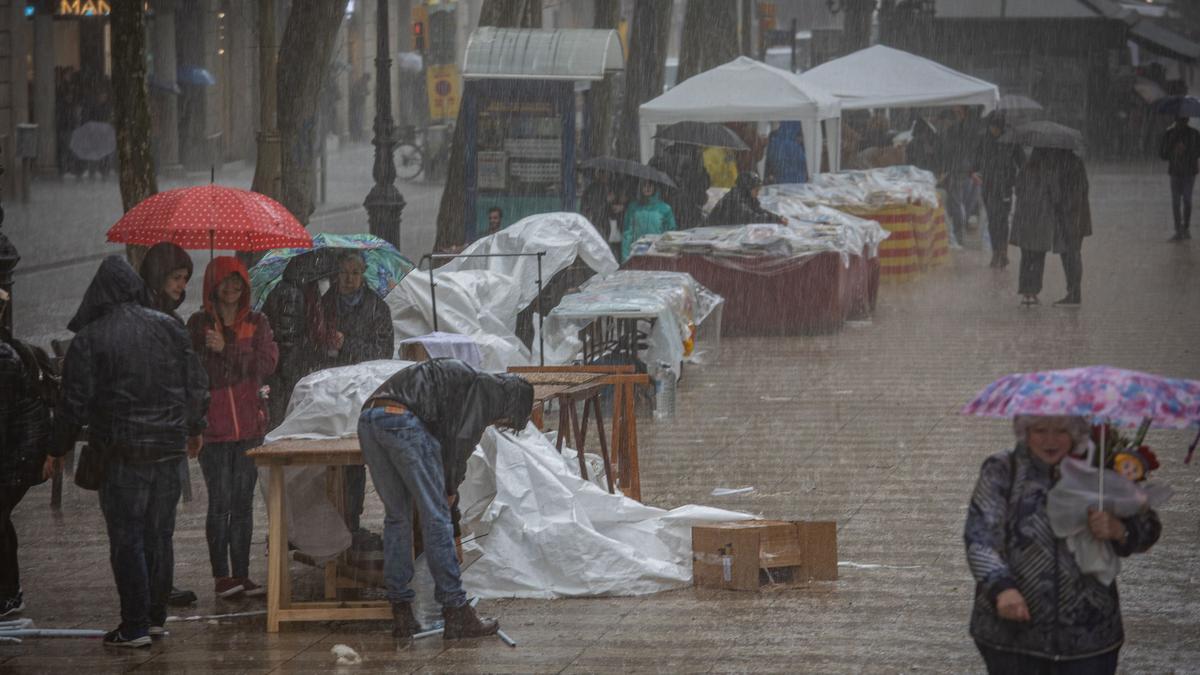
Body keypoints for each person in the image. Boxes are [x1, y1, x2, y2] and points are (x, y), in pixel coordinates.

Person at [45, 256, 210, 648]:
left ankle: (134, 624)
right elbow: (196, 383)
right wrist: (194, 427)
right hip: (168, 451)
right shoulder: (169, 326)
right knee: (159, 536)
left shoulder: (91, 337)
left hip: (122, 454)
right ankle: (154, 619)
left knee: (128, 539)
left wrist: (55, 449)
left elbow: (73, 403)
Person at [965, 415, 1161, 674]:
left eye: (1061, 431)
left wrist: (1121, 530)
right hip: (1013, 639)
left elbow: (1149, 528)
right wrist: (1002, 588)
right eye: (1040, 430)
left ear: (1076, 433)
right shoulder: (1002, 469)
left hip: (1090, 639)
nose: (1050, 440)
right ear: (1025, 432)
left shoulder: (1104, 467)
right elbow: (980, 537)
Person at [356, 359, 533, 642]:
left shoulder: (469, 383)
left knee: (397, 518)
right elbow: (457, 446)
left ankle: (401, 613)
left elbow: (446, 442)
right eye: (507, 421)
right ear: (512, 404)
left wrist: (450, 496)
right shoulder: (486, 393)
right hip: (402, 420)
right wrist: (449, 494)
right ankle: (456, 610)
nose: (500, 424)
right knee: (435, 518)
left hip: (370, 418)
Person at [186, 257, 279, 599]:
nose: (231, 289)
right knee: (220, 502)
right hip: (214, 430)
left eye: (237, 282)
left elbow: (266, 363)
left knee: (242, 503)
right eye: (225, 282)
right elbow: (194, 375)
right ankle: (221, 576)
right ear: (213, 285)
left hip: (249, 428)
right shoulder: (198, 325)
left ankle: (241, 573)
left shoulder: (257, 322)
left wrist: (229, 349)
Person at [136, 241, 200, 608]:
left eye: (185, 279)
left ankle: (158, 584)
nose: (181, 286)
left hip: (165, 430)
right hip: (159, 432)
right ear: (159, 277)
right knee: (154, 520)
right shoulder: (154, 319)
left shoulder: (165, 317)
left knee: (161, 520)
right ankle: (153, 588)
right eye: (176, 278)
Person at [321, 252, 395, 546]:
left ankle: (352, 520)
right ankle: (335, 520)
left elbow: (382, 351)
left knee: (356, 455)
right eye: (344, 272)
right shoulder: (325, 305)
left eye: (355, 272)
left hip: (362, 391)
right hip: (331, 389)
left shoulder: (376, 306)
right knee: (330, 458)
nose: (349, 278)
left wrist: (347, 344)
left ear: (363, 274)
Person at [0, 289, 53, 619]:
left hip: (17, 454)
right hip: (19, 451)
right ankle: (9, 591)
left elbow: (3, 415)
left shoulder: (4, 355)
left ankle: (9, 592)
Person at [262, 250, 337, 427]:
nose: (325, 281)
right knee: (286, 423)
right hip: (288, 378)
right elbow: (288, 341)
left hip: (288, 375)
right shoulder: (293, 295)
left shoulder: (298, 291)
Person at [1010, 147, 1092, 306]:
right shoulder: (1063, 165)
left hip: (1028, 220)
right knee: (1068, 255)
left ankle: (1028, 292)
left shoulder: (1029, 167)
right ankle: (1073, 292)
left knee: (1029, 256)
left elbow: (1018, 189)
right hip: (1059, 218)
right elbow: (1059, 194)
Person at [974, 113, 1025, 268]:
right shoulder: (984, 139)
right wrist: (974, 172)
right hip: (988, 186)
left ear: (1002, 127)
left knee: (1002, 220)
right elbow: (976, 160)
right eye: (991, 127)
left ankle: (1003, 252)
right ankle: (996, 251)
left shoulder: (1011, 140)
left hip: (1005, 187)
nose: (994, 130)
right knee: (992, 220)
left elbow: (1022, 162)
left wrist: (1018, 180)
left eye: (996, 128)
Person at [650, 143, 710, 229]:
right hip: (688, 211)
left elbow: (652, 177)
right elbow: (702, 186)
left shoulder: (663, 155)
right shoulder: (695, 156)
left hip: (665, 207)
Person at [1158, 116, 1200, 241]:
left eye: (1185, 119)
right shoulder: (1169, 134)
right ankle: (1178, 230)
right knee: (1176, 203)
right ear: (1176, 120)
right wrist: (1174, 149)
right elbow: (1163, 154)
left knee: (1187, 200)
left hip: (1189, 173)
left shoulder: (1194, 134)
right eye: (1181, 120)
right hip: (1175, 172)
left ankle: (1185, 228)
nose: (1183, 122)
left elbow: (1199, 151)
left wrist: (1186, 151)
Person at [621, 179, 678, 262]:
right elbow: (627, 233)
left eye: (650, 185)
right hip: (636, 252)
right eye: (644, 185)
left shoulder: (665, 208)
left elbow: (671, 234)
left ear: (655, 187)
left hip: (657, 253)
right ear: (640, 187)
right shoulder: (633, 207)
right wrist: (625, 257)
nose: (647, 188)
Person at [706, 171, 787, 228]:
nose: (758, 193)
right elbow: (751, 217)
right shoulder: (735, 198)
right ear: (748, 188)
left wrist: (777, 218)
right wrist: (775, 220)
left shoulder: (747, 197)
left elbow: (759, 210)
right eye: (756, 190)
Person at [580, 171, 629, 261]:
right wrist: (606, 201)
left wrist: (622, 206)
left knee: (616, 252)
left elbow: (626, 202)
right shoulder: (591, 190)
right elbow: (590, 209)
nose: (605, 175)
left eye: (606, 173)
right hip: (600, 226)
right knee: (603, 252)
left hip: (617, 226)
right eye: (602, 172)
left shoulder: (615, 186)